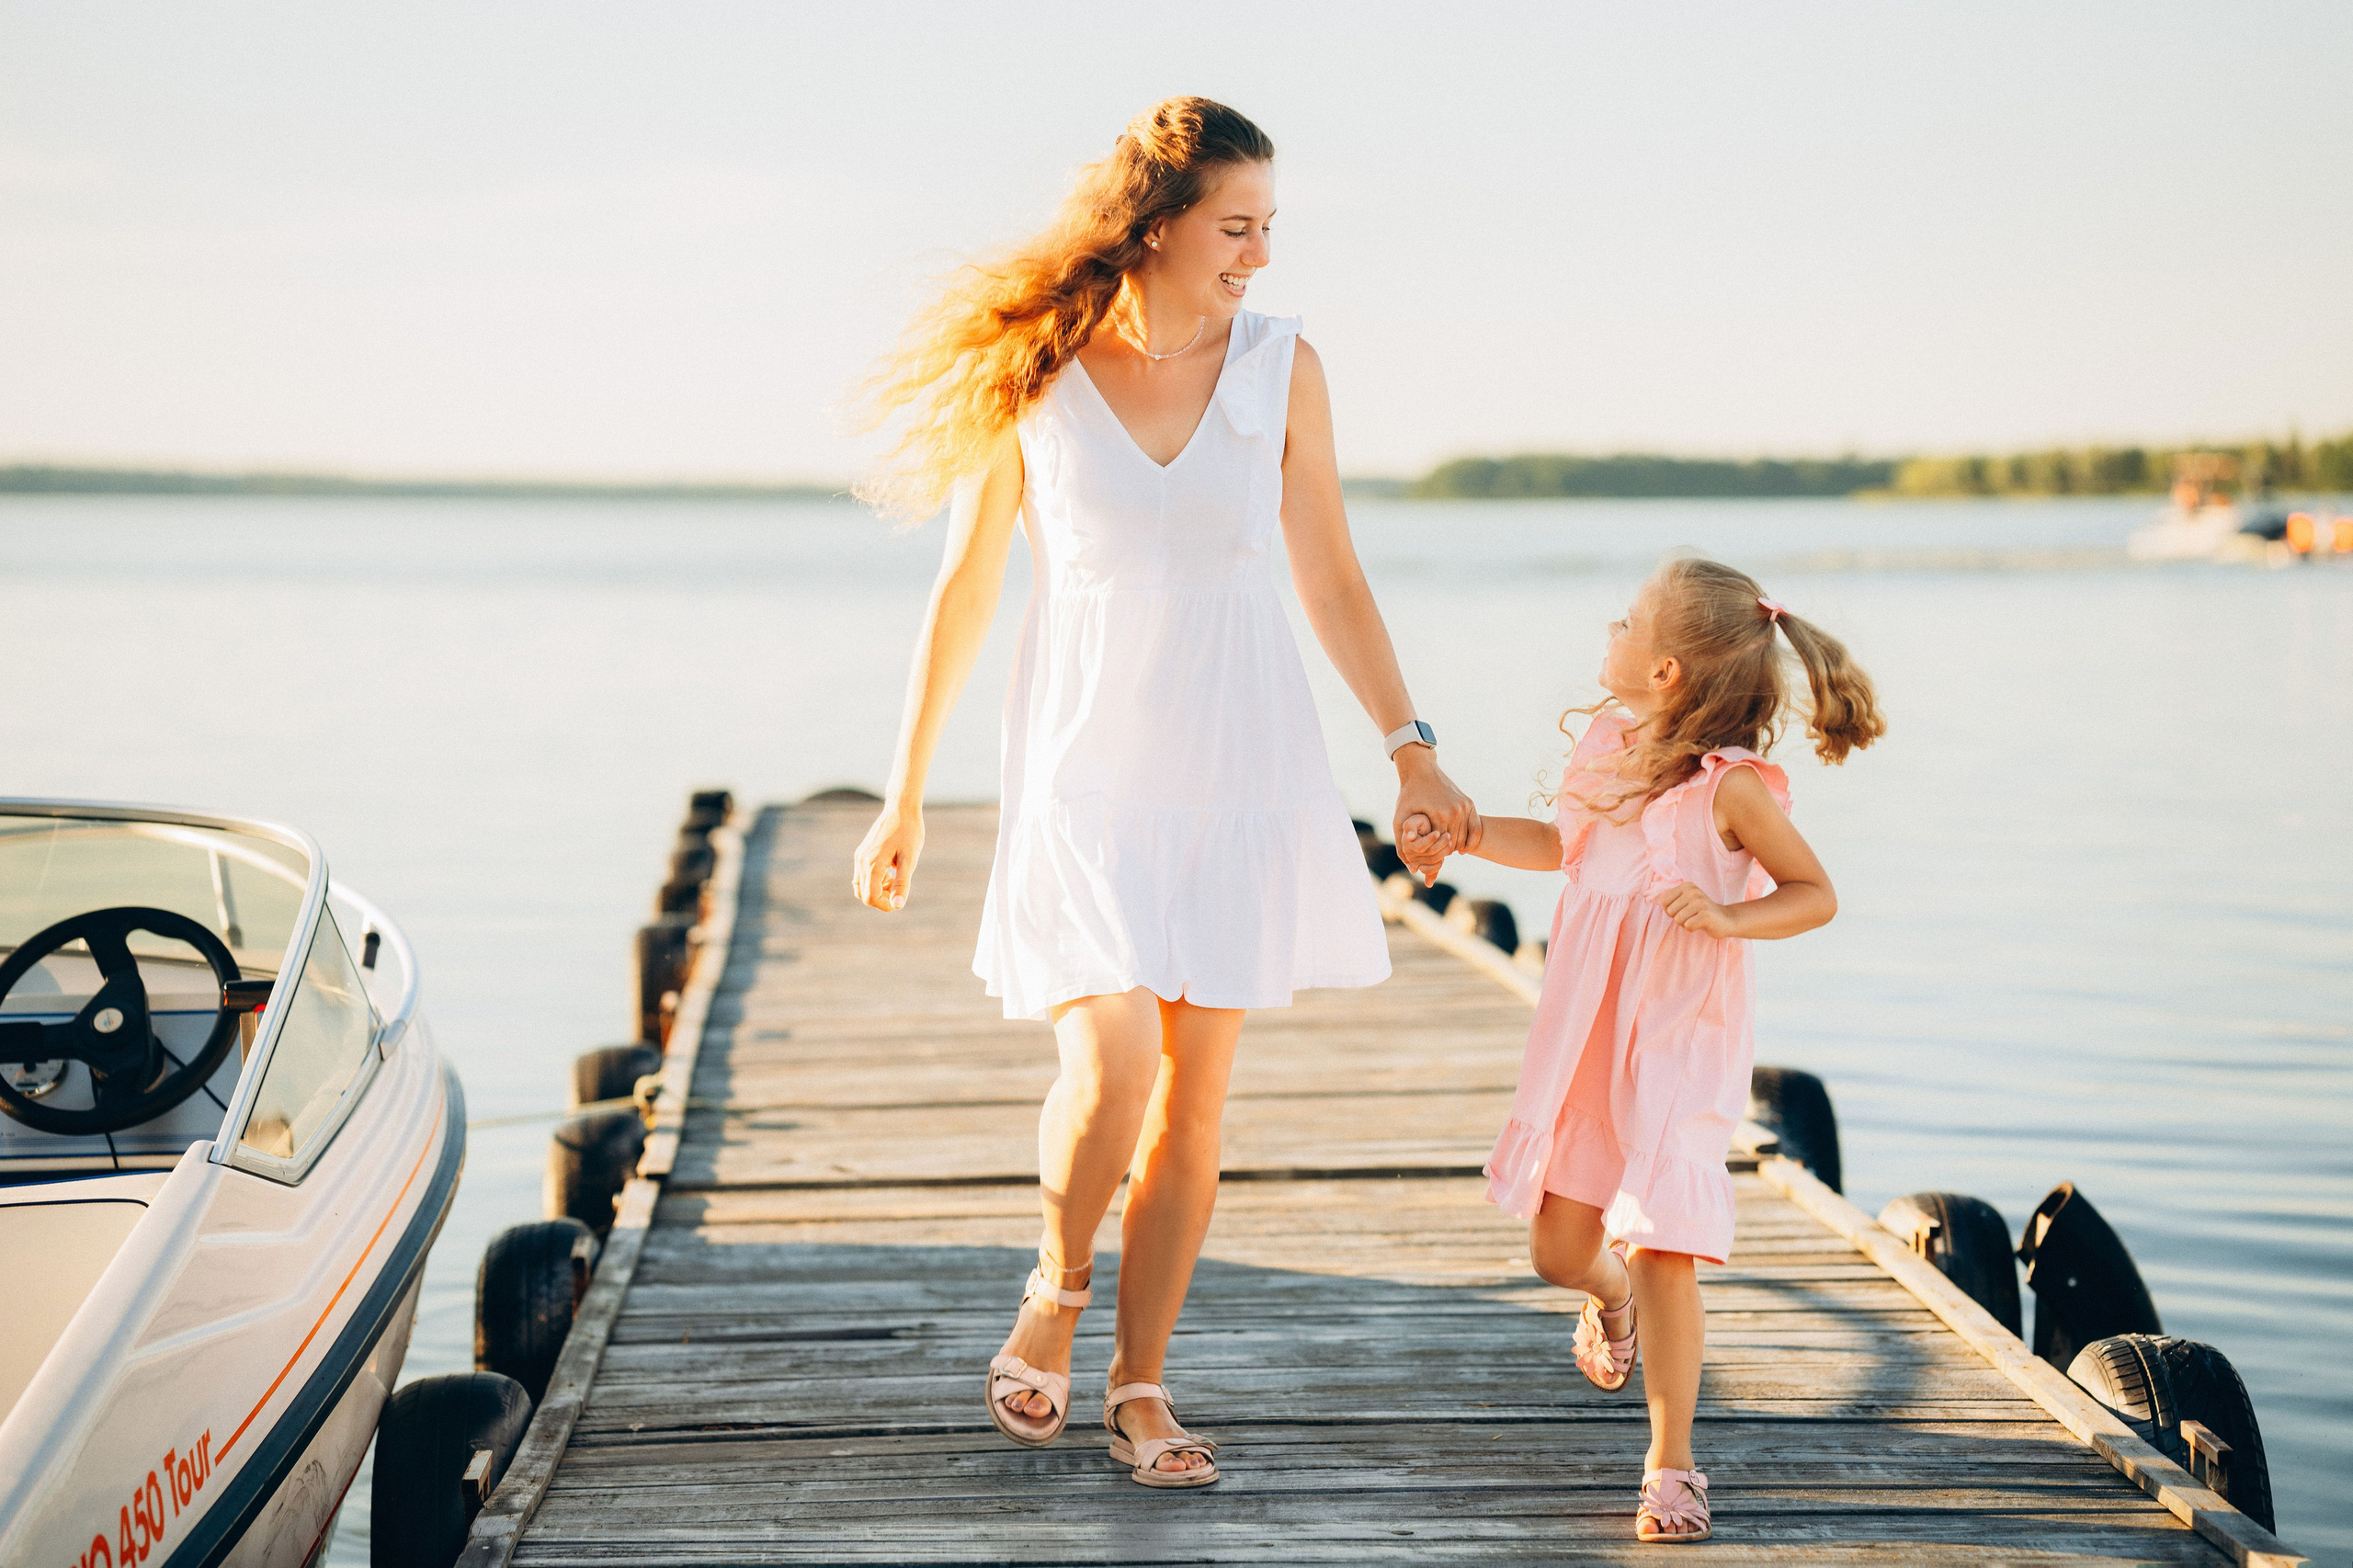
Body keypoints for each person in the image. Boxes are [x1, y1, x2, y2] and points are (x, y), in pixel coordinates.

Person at [848, 96, 1475, 1488]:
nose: (1258, 254)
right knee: (1114, 1057)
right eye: (1235, 226)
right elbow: (964, 593)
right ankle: (1055, 1293)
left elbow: (1332, 576)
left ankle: (1141, 1384)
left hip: (1239, 766)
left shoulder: (1283, 366)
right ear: (1157, 225)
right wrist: (904, 792)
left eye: (1268, 228)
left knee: (1194, 1106)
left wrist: (1410, 744)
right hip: (1081, 775)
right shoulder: (1039, 370)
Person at [1404, 556, 1884, 1542]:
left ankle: (1671, 1460)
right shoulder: (1607, 749)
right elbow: (1559, 847)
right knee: (1558, 1250)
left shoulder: (1735, 790)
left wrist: (1724, 911)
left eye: (1625, 623)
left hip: (1674, 1040)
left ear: (1665, 667)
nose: (1608, 634)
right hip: (1585, 1034)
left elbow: (1813, 893)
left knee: (1667, 1243)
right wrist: (1465, 834)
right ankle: (1606, 1294)